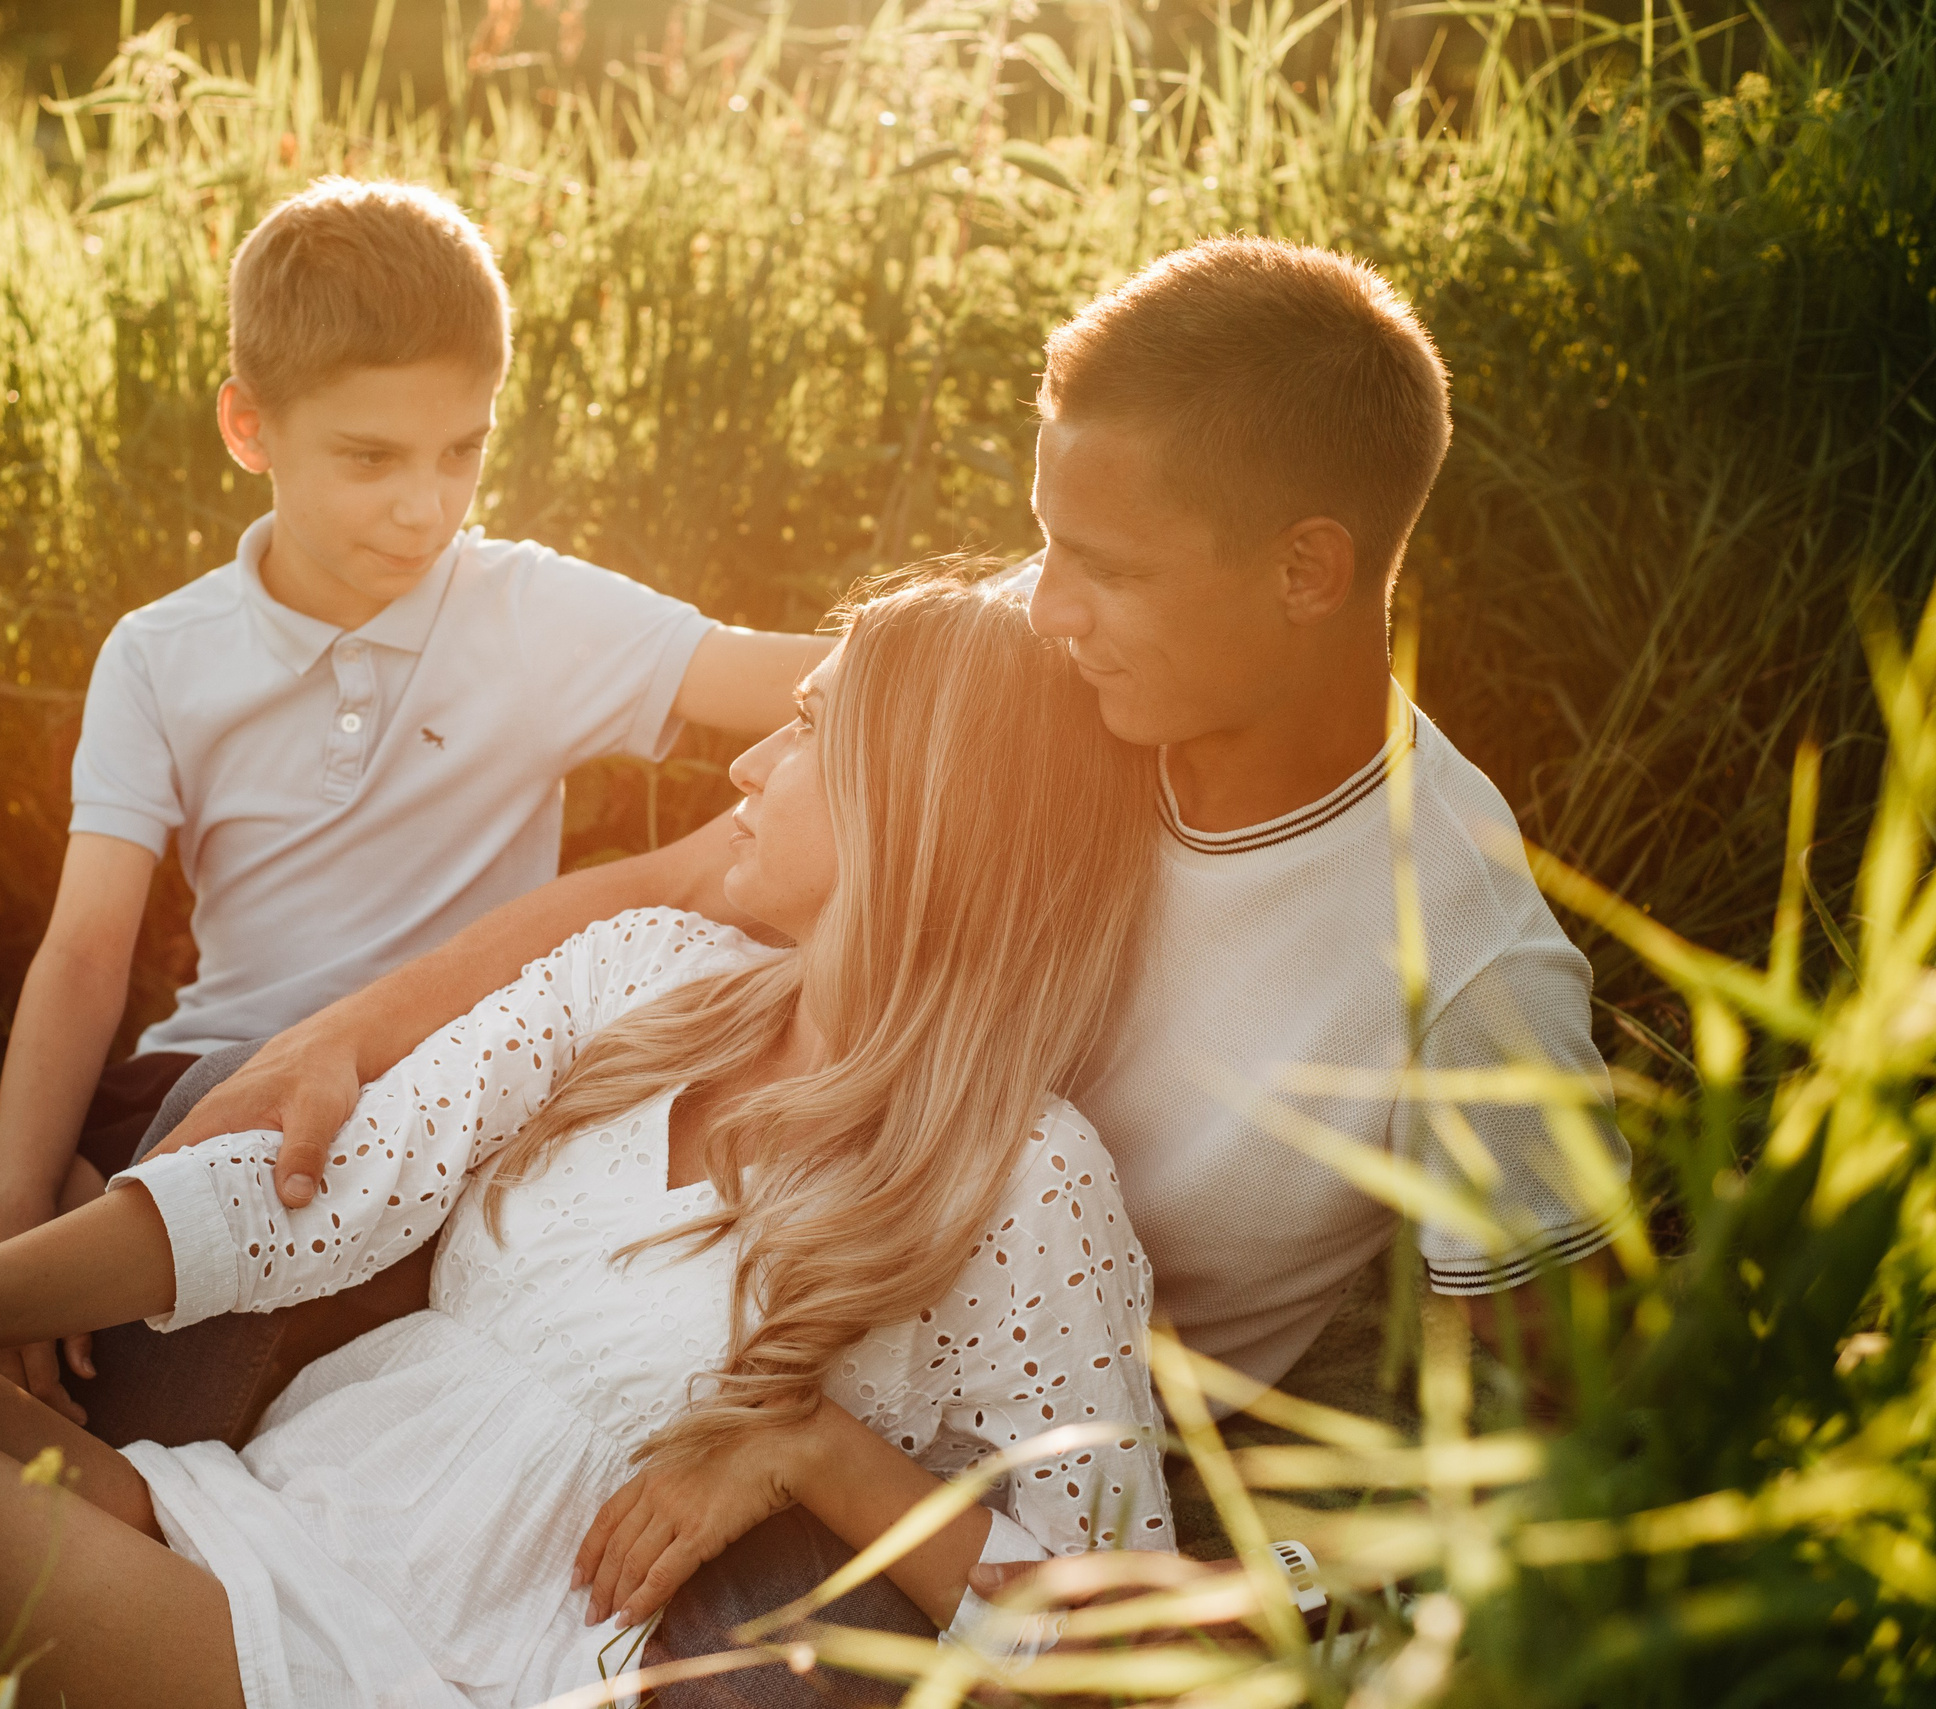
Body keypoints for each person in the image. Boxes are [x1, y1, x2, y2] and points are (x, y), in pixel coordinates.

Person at [135, 237, 1634, 1682]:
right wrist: (341, 1033)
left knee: (739, 1651)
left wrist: (826, 1460)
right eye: (1046, 541)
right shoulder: (1038, 664)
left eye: (1103, 564)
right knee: (248, 1137)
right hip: (703, 1286)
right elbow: (678, 877)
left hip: (977, 1487)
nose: (1039, 605)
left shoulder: (1467, 962)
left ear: (1309, 569)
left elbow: (1528, 1482)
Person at [0, 575, 1174, 1709]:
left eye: (803, 733)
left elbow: (1106, 1642)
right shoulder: (651, 969)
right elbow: (290, 1204)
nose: (746, 768)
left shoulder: (1024, 1176)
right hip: (247, 1520)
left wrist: (815, 1449)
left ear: (909, 808)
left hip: (412, 1665)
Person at [0, 177, 831, 1424]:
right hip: (186, 1065)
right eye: (370, 457)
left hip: (388, 1093)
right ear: (249, 426)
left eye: (463, 450)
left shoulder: (529, 611)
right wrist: (14, 1189)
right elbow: (86, 947)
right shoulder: (163, 653)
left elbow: (781, 669)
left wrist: (1006, 610)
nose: (425, 504)